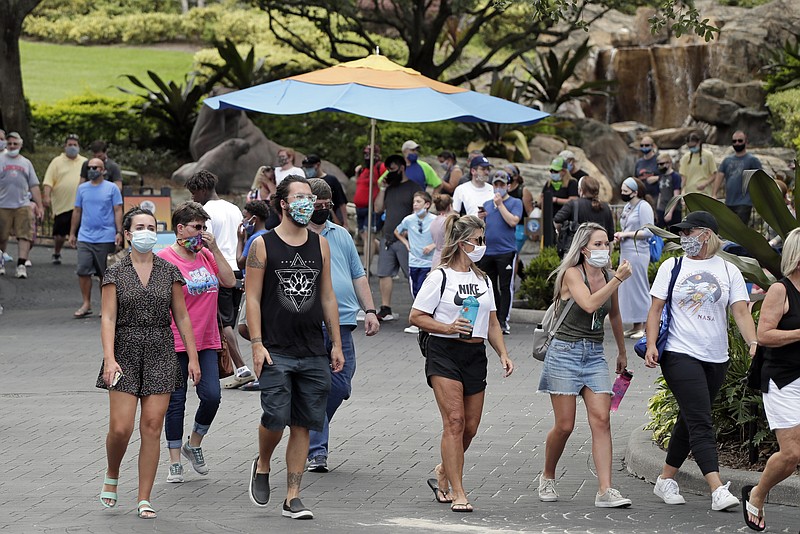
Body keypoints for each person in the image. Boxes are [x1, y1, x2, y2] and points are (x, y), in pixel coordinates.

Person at [244, 175, 344, 519]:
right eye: (300, 197)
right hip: (275, 348)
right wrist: (256, 343)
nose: (308, 203)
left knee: (303, 423)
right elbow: (252, 299)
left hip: (313, 349)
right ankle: (263, 462)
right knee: (275, 417)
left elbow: (328, 296)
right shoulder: (262, 245)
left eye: (310, 197)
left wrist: (336, 344)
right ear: (283, 203)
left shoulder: (321, 245)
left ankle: (292, 496)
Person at [643, 210, 755, 512]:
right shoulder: (672, 266)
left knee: (690, 418)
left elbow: (741, 312)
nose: (683, 238)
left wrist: (754, 343)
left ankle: (665, 479)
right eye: (681, 233)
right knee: (702, 421)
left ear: (706, 234)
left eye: (688, 233)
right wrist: (651, 343)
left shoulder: (728, 270)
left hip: (717, 357)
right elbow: (655, 310)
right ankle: (716, 488)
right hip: (680, 353)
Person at [96, 206, 200, 520]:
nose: (146, 232)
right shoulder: (116, 271)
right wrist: (110, 358)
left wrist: (193, 357)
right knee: (121, 428)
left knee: (152, 426)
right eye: (139, 227)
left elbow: (181, 315)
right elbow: (108, 317)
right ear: (127, 234)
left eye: (151, 227)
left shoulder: (169, 270)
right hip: (124, 350)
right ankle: (112, 473)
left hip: (160, 350)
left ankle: (144, 497)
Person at [409, 214, 513, 513]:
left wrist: (503, 353)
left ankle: (443, 470)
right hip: (443, 352)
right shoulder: (440, 277)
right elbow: (416, 316)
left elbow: (492, 321)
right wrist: (447, 327)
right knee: (454, 422)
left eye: (483, 240)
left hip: (475, 354)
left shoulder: (483, 279)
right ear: (461, 242)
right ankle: (458, 491)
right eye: (477, 240)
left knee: (470, 427)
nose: (482, 245)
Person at [537, 222, 633, 508]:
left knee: (602, 420)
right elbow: (590, 305)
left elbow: (613, 315)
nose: (604, 249)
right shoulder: (571, 274)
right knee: (564, 425)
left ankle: (605, 489)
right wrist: (617, 280)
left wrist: (621, 351)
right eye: (598, 244)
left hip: (593, 355)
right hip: (564, 352)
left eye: (607, 244)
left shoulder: (607, 276)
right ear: (583, 250)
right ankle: (548, 475)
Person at [305, 178, 380, 472]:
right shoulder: (295, 236)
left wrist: (370, 310)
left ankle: (310, 424)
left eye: (327, 206)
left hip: (345, 320)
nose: (322, 210)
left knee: (340, 385)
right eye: (317, 206)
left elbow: (358, 274)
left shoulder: (342, 235)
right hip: (309, 321)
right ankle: (316, 449)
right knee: (318, 386)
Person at [158, 201, 235, 483]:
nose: (201, 233)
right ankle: (174, 460)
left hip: (207, 340)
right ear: (180, 229)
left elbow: (228, 281)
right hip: (175, 342)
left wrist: (213, 249)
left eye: (204, 228)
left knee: (212, 396)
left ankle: (195, 443)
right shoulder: (165, 259)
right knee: (176, 401)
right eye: (196, 227)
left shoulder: (205, 255)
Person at [743, 227, 800, 531]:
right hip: (784, 381)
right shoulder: (781, 290)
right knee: (791, 454)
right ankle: (757, 493)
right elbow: (764, 335)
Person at [185, 170, 255, 387]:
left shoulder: (205, 211)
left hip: (219, 269)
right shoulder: (233, 207)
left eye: (194, 193)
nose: (193, 198)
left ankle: (242, 368)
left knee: (223, 321)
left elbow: (206, 241)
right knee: (229, 321)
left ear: (203, 189)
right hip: (237, 269)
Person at [68, 158, 124, 317]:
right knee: (83, 271)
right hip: (85, 236)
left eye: (96, 167)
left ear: (103, 170)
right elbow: (77, 211)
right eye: (89, 167)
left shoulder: (112, 188)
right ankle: (86, 303)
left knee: (104, 274)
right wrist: (72, 233)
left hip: (105, 236)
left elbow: (118, 210)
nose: (92, 170)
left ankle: (105, 305)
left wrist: (119, 231)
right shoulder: (82, 189)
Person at [373, 154, 423, 321]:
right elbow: (378, 208)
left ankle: (420, 307)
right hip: (387, 237)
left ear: (401, 168)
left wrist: (410, 230)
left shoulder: (413, 187)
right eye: (388, 169)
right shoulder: (390, 188)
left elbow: (419, 211)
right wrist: (382, 189)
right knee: (384, 273)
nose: (390, 172)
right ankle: (385, 307)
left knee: (412, 274)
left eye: (393, 169)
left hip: (405, 239)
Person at [478, 169, 522, 334]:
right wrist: (480, 218)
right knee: (490, 287)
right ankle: (493, 319)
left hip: (506, 251)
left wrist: (500, 205)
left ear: (508, 186)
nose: (498, 188)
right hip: (488, 252)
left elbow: (513, 222)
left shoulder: (515, 202)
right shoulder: (488, 204)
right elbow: (484, 227)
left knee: (505, 286)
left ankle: (504, 320)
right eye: (496, 184)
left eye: (502, 185)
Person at [614, 177, 654, 339]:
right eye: (622, 190)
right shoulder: (628, 207)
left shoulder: (643, 207)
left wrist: (626, 234)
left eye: (626, 191)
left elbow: (649, 232)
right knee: (628, 288)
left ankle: (645, 326)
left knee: (639, 287)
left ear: (635, 192)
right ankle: (635, 325)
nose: (623, 193)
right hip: (626, 251)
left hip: (639, 252)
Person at [0, 132, 44, 279]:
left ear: (20, 145)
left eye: (15, 144)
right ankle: (1, 262)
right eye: (10, 143)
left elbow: (34, 185)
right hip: (2, 205)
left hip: (22, 205)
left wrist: (39, 205)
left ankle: (21, 265)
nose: (12, 146)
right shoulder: (0, 160)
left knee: (24, 235)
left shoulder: (26, 163)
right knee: (2, 236)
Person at [393, 190, 436, 333]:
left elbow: (445, 237)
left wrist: (432, 246)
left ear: (427, 205)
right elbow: (397, 231)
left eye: (419, 202)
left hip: (429, 262)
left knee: (428, 291)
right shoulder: (408, 219)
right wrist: (406, 243)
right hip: (414, 261)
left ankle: (427, 320)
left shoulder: (435, 220)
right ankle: (419, 321)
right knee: (415, 290)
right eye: (414, 202)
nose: (415, 205)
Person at [43, 134, 87, 265]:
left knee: (82, 234)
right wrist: (46, 196)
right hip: (62, 204)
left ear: (79, 147)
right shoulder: (57, 162)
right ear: (65, 146)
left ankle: (83, 258)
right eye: (70, 145)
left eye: (75, 145)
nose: (72, 147)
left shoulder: (85, 162)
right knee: (60, 235)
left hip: (80, 205)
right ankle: (57, 253)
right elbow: (48, 181)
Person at [712, 130, 763, 224]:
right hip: (729, 201)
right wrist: (714, 194)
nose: (737, 143)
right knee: (729, 229)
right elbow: (720, 176)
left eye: (740, 140)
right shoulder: (727, 160)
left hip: (744, 202)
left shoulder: (752, 160)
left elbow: (760, 178)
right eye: (734, 141)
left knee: (740, 229)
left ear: (746, 142)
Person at [554, 176, 614, 242]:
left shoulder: (573, 204)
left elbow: (557, 220)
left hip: (579, 246)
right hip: (599, 247)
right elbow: (610, 235)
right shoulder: (605, 206)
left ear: (581, 190)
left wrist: (561, 232)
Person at [353, 144, 385, 261]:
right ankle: (382, 250)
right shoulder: (362, 169)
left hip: (371, 207)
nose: (367, 156)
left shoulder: (379, 167)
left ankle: (366, 268)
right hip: (359, 207)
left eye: (369, 154)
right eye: (365, 154)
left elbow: (386, 180)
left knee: (368, 237)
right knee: (365, 236)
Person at [302, 154, 349, 229]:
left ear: (318, 165)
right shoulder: (307, 181)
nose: (307, 170)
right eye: (306, 168)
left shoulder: (332, 180)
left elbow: (341, 202)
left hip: (332, 216)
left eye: (310, 167)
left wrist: (345, 223)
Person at [539, 156, 578, 222]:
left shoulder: (572, 182)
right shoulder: (549, 183)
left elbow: (573, 201)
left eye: (556, 171)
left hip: (565, 219)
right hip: (549, 217)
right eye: (551, 171)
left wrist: (556, 200)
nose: (553, 173)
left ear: (564, 171)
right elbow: (542, 197)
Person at [655, 153, 682, 228]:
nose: (660, 166)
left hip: (674, 210)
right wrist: (658, 209)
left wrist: (670, 212)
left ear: (669, 163)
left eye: (662, 164)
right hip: (662, 208)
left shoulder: (675, 176)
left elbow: (676, 195)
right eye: (658, 164)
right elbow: (660, 194)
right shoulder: (661, 176)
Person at [430, 193, 455, 268]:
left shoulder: (434, 221)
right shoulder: (449, 221)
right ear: (450, 206)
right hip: (448, 258)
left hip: (437, 258)